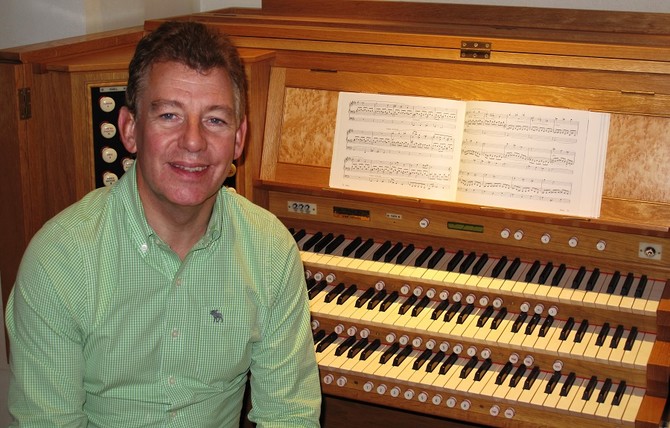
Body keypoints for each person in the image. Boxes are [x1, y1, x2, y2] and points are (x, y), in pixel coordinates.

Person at [6, 21, 322, 427]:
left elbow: (289, 415)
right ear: (130, 129)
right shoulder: (60, 259)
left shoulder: (269, 249)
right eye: (170, 115)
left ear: (239, 139)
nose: (193, 142)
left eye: (215, 120)